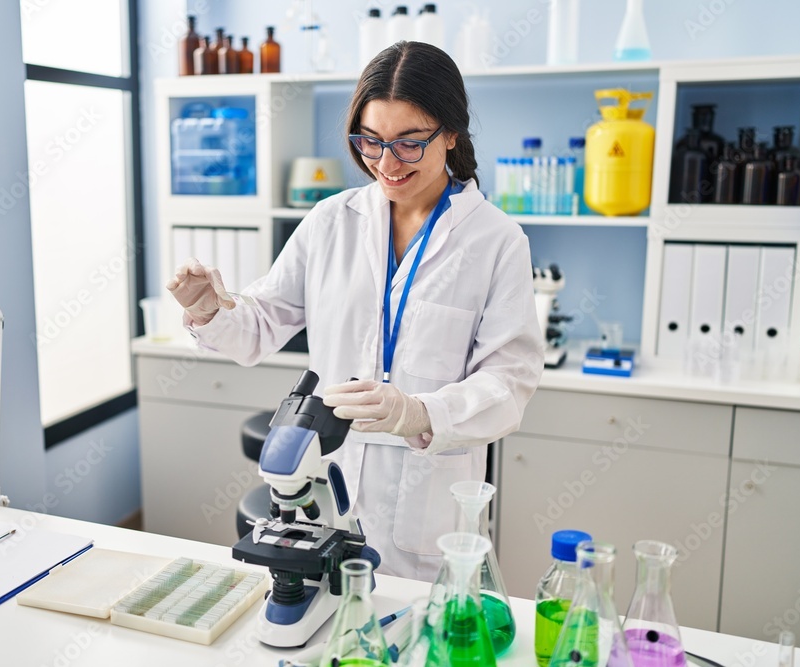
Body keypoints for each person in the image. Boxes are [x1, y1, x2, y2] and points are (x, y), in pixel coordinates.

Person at [167, 41, 544, 581]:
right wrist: (210, 311)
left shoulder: (497, 241)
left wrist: (418, 412)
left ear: (453, 134)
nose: (386, 163)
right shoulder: (330, 221)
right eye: (371, 141)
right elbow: (259, 326)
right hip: (325, 490)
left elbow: (510, 385)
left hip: (428, 513)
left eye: (410, 144)